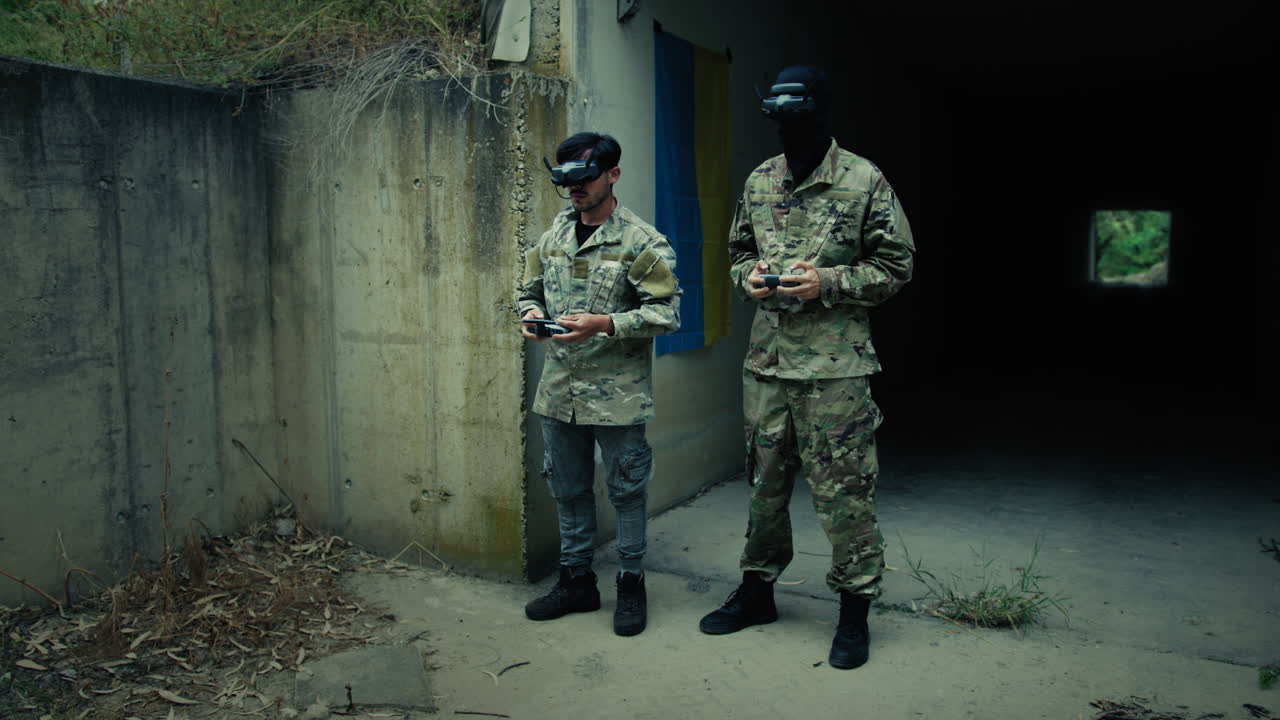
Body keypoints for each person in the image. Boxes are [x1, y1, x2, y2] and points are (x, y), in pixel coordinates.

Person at [698, 65, 915, 669]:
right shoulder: (761, 178)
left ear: (820, 111)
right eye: (778, 117)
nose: (787, 128)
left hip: (834, 369)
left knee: (843, 492)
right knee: (764, 487)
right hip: (767, 364)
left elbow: (897, 265)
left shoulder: (862, 178)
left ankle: (854, 610)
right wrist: (754, 281)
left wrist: (829, 282)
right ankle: (758, 589)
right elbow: (739, 253)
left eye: (798, 115)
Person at [517, 132, 681, 637]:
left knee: (627, 491)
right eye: (565, 181)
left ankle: (630, 586)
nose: (574, 191)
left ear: (613, 174)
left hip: (618, 395)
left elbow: (667, 313)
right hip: (560, 391)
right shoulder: (554, 237)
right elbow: (528, 286)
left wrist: (605, 324)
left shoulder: (642, 241)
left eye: (584, 180)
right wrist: (531, 312)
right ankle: (577, 582)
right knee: (567, 491)